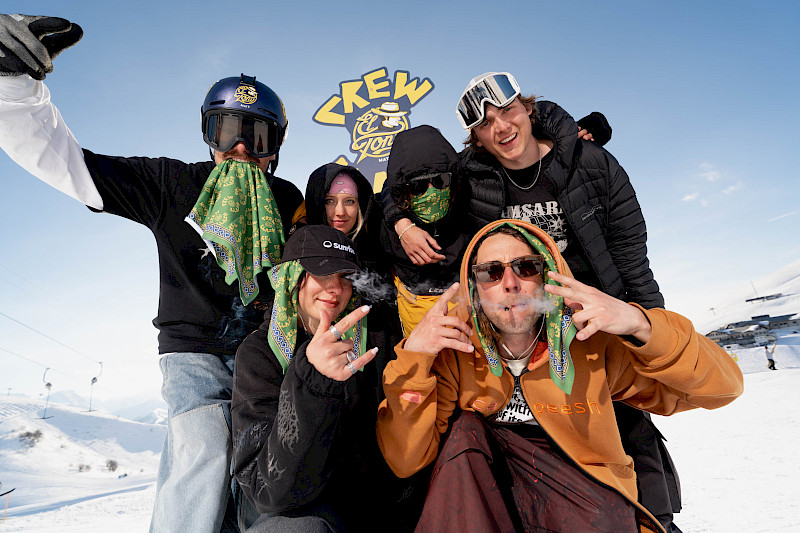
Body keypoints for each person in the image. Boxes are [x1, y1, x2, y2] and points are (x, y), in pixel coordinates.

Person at [0, 15, 303, 532]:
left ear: (274, 145)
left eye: (255, 135)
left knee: (262, 466)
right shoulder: (172, 185)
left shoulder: (287, 199)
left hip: (264, 352)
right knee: (204, 446)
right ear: (208, 134)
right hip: (194, 353)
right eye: (226, 131)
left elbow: (330, 246)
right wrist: (13, 86)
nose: (239, 150)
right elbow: (72, 165)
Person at [376, 220, 744, 533]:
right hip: (493, 505)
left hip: (584, 504)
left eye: (525, 267)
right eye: (491, 272)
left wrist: (640, 325)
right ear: (473, 287)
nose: (510, 283)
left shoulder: (590, 343)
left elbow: (722, 389)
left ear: (547, 275)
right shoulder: (458, 353)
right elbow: (405, 459)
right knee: (464, 430)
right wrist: (415, 359)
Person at [454, 71, 683, 529]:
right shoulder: (474, 182)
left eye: (508, 111)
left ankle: (654, 522)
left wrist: (649, 329)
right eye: (486, 124)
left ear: (528, 108)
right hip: (534, 337)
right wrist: (402, 223)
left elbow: (632, 258)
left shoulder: (592, 163)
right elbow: (413, 182)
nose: (501, 127)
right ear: (476, 139)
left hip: (601, 321)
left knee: (629, 432)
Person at [232, 225, 423, 533]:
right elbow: (268, 490)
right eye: (322, 273)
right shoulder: (259, 354)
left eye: (345, 276)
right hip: (297, 511)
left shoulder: (374, 336)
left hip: (370, 506)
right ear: (292, 276)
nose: (335, 288)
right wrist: (312, 381)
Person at [380, 125, 470, 336]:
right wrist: (401, 225)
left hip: (466, 310)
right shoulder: (386, 225)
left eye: (440, 181)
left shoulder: (469, 206)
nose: (432, 193)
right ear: (403, 190)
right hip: (414, 314)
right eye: (418, 187)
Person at [299, 163, 386, 275]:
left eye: (349, 201)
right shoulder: (299, 254)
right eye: (329, 201)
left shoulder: (379, 251)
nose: (340, 212)